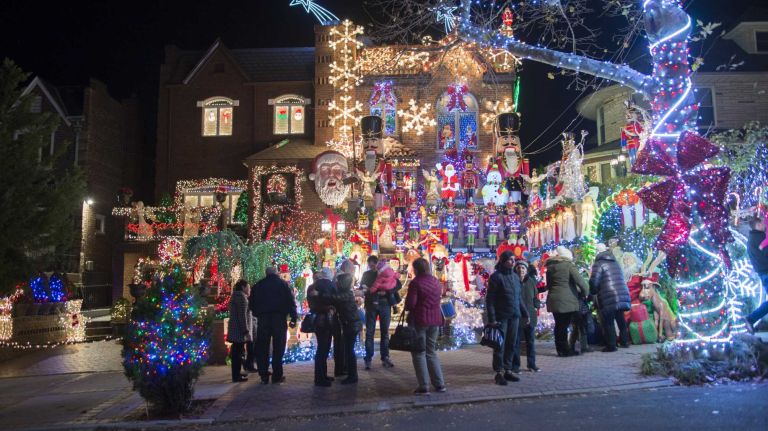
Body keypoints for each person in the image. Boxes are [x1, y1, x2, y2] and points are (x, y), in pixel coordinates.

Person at [486, 251, 530, 385]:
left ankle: (508, 370)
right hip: (501, 317)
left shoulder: (515, 277)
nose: (512, 262)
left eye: (513, 259)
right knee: (500, 345)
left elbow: (518, 298)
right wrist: (492, 318)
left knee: (511, 344)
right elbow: (490, 300)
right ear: (503, 261)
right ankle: (499, 372)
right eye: (510, 260)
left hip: (514, 316)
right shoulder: (496, 277)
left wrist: (525, 313)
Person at [405, 258, 446, 394]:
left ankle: (424, 386)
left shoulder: (416, 283)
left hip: (420, 320)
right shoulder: (435, 281)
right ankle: (439, 384)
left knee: (418, 353)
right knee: (431, 352)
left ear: (416, 269)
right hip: (435, 319)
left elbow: (411, 304)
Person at [251, 267, 298, 384]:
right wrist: (293, 317)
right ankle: (277, 374)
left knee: (263, 346)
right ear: (276, 273)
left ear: (266, 274)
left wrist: (258, 314)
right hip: (279, 318)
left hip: (263, 319)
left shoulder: (259, 285)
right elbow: (290, 301)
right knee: (279, 346)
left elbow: (252, 302)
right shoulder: (283, 285)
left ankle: (264, 374)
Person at [314, 273, 363, 385]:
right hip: (350, 325)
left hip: (351, 325)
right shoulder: (346, 293)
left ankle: (352, 376)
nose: (336, 283)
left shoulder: (346, 294)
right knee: (349, 351)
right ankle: (351, 375)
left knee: (349, 351)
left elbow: (334, 298)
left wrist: (319, 293)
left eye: (338, 281)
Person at [546, 246, 589, 357]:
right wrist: (586, 292)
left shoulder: (550, 267)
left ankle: (560, 349)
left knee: (559, 325)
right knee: (565, 325)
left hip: (554, 299)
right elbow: (581, 282)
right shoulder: (569, 266)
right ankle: (566, 350)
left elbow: (549, 285)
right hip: (567, 300)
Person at [589, 243, 631, 352]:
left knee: (608, 321)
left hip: (608, 294)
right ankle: (625, 342)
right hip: (621, 293)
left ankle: (611, 345)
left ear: (598, 252)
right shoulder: (615, 262)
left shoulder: (598, 264)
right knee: (620, 318)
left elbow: (594, 281)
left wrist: (593, 291)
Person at [307, 268, 345, 386]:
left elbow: (311, 303)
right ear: (330, 275)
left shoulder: (312, 287)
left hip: (317, 320)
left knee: (322, 348)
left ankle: (322, 375)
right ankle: (320, 378)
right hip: (328, 319)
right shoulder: (331, 285)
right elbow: (336, 301)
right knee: (324, 348)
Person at [362, 259, 401, 369]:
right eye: (370, 265)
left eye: (373, 264)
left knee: (385, 332)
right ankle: (368, 358)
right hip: (371, 304)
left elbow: (398, 284)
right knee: (370, 332)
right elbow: (363, 287)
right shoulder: (366, 274)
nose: (371, 267)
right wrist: (367, 290)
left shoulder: (387, 271)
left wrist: (387, 291)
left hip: (385, 303)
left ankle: (385, 357)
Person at [512, 260, 541, 373]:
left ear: (526, 270)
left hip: (530, 315)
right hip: (518, 315)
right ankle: (515, 366)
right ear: (516, 269)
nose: (521, 270)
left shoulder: (531, 282)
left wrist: (536, 306)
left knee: (530, 341)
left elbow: (535, 297)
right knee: (516, 341)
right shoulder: (513, 281)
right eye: (519, 268)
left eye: (523, 268)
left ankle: (532, 364)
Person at [746, 217, 768, 333]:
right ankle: (750, 318)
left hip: (762, 272)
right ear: (758, 225)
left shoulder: (751, 238)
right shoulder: (761, 238)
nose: (765, 225)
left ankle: (751, 319)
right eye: (763, 223)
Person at [227, 280, 251, 382]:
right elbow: (242, 316)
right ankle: (236, 376)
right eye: (248, 287)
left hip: (234, 329)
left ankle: (236, 373)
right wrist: (245, 331)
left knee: (236, 353)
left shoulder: (234, 296)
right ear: (243, 287)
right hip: (239, 331)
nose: (249, 290)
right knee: (237, 354)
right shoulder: (241, 298)